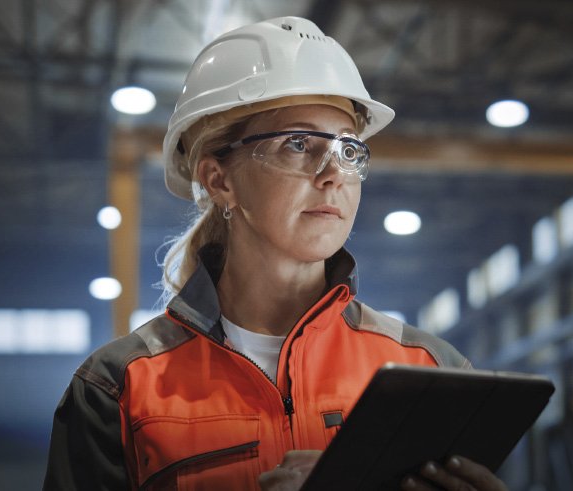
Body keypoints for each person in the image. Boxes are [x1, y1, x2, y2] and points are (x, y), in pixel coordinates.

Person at [43, 16, 508, 491]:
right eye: (299, 144)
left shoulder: (431, 370)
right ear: (219, 179)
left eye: (349, 149)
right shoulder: (118, 389)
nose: (332, 175)